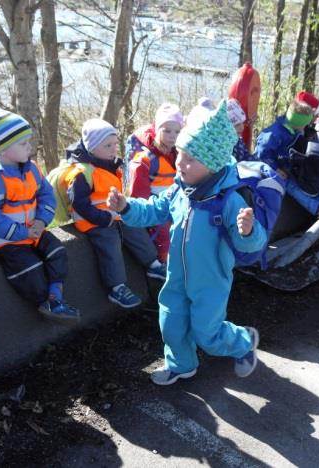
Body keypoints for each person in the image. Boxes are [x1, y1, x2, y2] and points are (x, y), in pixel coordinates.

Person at [107, 101, 265, 385]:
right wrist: (125, 207)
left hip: (210, 281)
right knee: (171, 322)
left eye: (190, 159)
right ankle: (182, 365)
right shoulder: (180, 190)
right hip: (176, 275)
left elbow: (253, 245)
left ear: (213, 165)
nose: (180, 162)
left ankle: (242, 341)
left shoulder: (229, 201)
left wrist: (248, 230)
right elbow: (153, 210)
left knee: (208, 333)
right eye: (180, 153)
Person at [0, 108, 80, 321]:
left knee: (57, 252)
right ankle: (44, 303)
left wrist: (41, 221)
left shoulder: (32, 168)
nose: (30, 147)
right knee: (30, 269)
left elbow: (46, 195)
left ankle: (55, 296)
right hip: (5, 240)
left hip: (33, 231)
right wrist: (22, 232)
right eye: (23, 143)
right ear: (5, 149)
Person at [66, 118, 165, 308]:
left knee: (135, 228)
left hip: (114, 214)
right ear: (92, 148)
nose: (113, 149)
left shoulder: (111, 165)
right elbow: (79, 203)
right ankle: (117, 287)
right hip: (95, 221)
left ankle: (153, 264)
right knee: (110, 245)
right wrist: (103, 218)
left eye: (114, 144)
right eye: (107, 145)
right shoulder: (82, 172)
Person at [126, 103, 183, 261]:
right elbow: (139, 196)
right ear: (156, 129)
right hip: (154, 207)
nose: (173, 136)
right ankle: (165, 264)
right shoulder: (144, 160)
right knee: (165, 232)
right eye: (167, 130)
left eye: (178, 132)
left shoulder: (178, 155)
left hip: (172, 203)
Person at [255, 98, 319, 215]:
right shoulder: (274, 134)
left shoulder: (292, 128)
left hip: (286, 163)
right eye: (304, 126)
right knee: (290, 185)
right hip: (269, 167)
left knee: (304, 176)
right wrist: (276, 169)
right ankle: (316, 208)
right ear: (297, 124)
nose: (305, 128)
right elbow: (261, 154)